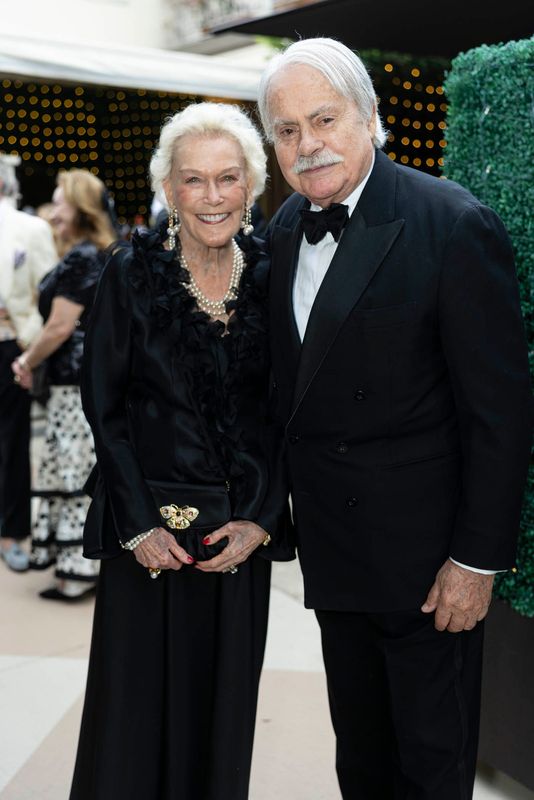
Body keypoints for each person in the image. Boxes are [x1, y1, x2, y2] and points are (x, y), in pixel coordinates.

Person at [258, 37, 532, 800]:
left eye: (324, 119)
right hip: (335, 558)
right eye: (287, 130)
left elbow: (499, 413)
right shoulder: (284, 227)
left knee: (431, 767)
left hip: (428, 572)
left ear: (369, 115)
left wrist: (475, 563)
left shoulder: (452, 223)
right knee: (363, 761)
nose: (307, 145)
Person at [69, 102, 293, 800]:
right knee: (134, 724)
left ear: (251, 185)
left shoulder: (274, 273)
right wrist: (139, 526)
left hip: (238, 541)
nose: (212, 196)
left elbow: (286, 414)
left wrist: (262, 519)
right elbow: (105, 410)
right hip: (150, 540)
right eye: (193, 180)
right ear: (168, 188)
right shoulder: (129, 273)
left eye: (228, 177)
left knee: (220, 720)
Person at [12, 168, 115, 600]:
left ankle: (76, 573)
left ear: (79, 207)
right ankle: (79, 567)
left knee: (73, 474)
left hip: (72, 383)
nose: (53, 214)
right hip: (83, 379)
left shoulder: (82, 257)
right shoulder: (100, 252)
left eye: (59, 204)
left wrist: (26, 360)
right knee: (78, 471)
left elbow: (58, 327)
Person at [0, 153, 57, 572]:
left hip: (10, 348)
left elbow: (49, 291)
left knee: (13, 443)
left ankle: (12, 532)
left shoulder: (30, 228)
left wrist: (29, 346)